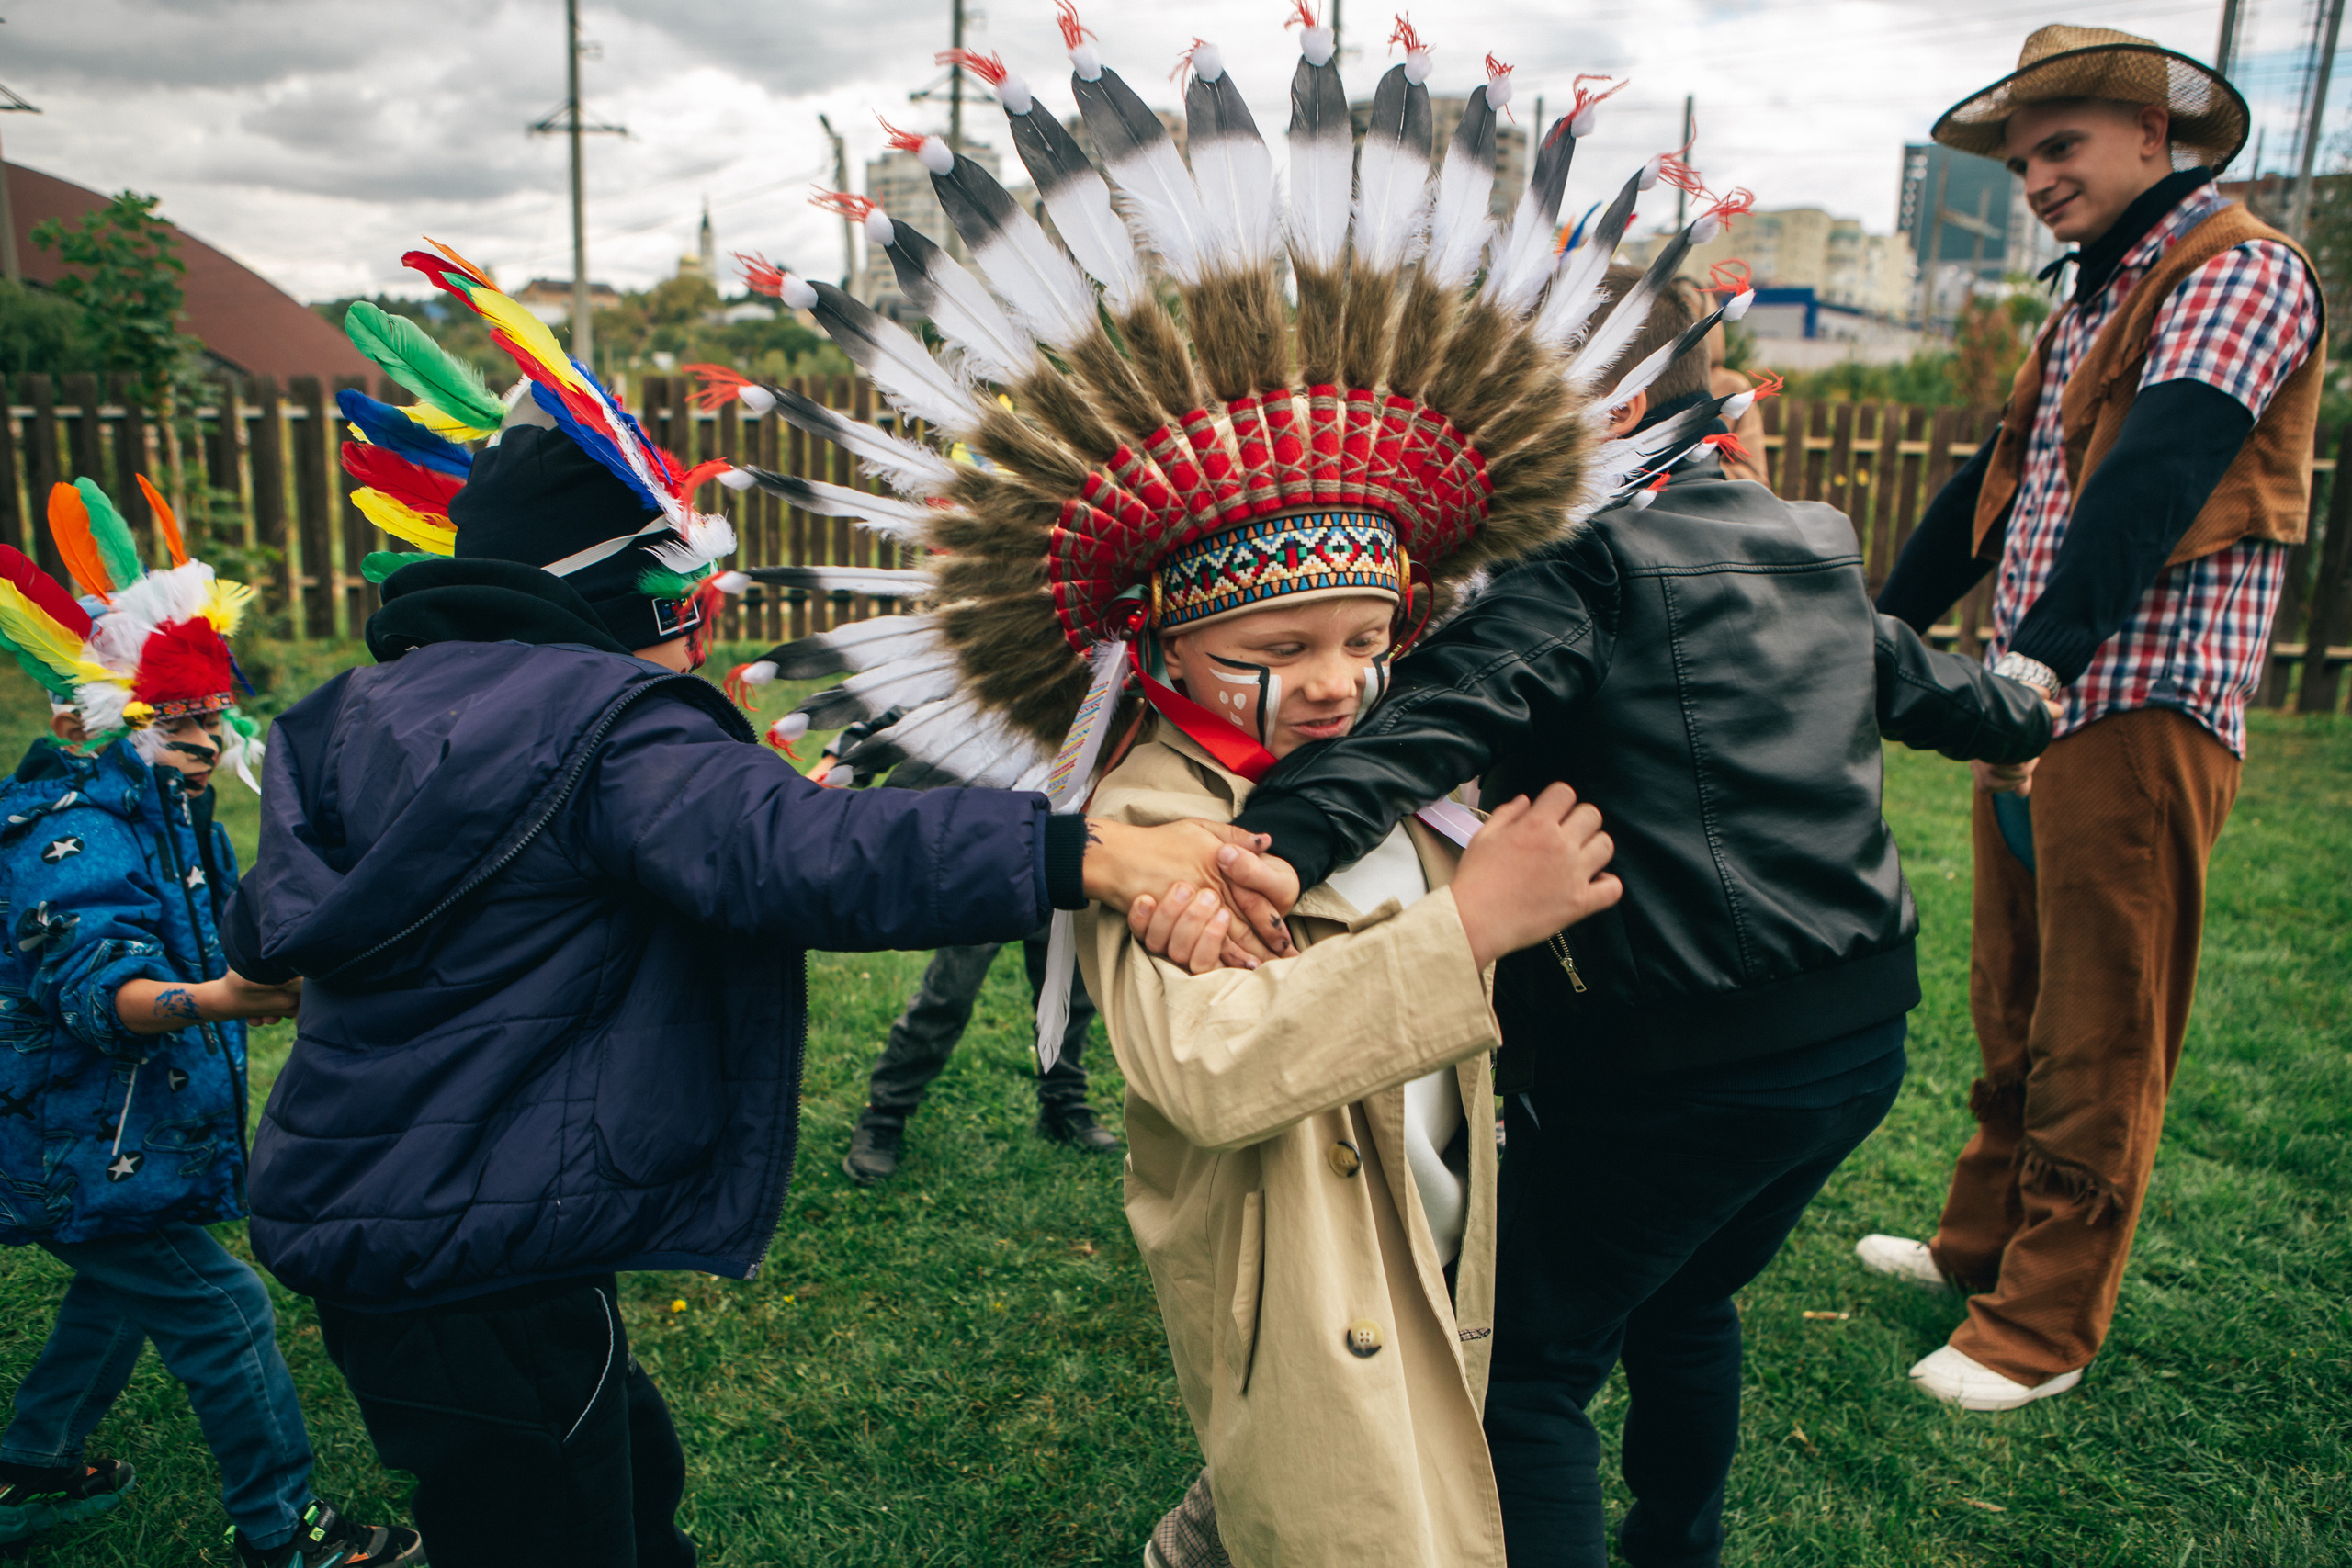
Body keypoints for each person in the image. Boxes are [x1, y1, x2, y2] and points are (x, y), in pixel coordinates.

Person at [751, 19, 1764, 1562]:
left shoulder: (1398, 769)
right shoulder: (1147, 817)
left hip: (1428, 1230)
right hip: (1303, 1286)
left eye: (1370, 638)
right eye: (1279, 648)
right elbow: (1209, 1074)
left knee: (1331, 1491)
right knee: (1357, 1511)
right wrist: (1469, 928)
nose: (1341, 682)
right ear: (1161, 643)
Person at [223, 265, 1249, 1568]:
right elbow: (801, 847)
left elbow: (268, 935)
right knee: (555, 1520)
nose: (699, 647)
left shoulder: (356, 713)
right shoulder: (599, 723)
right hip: (479, 1243)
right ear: (606, 602)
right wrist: (1079, 849)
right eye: (678, 610)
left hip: (385, 1219)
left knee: (608, 1471)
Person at [1211, 265, 2055, 1567]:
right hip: (1859, 1038)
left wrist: (1260, 847)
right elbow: (1950, 691)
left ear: (1593, 398)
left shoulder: (1589, 564)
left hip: (1683, 1057)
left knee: (1527, 1367)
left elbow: (1420, 725)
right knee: (1686, 1293)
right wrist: (2030, 713)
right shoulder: (1810, 540)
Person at [1863, 27, 2320, 1411]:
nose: (2037, 181)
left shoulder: (2240, 267)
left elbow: (2162, 475)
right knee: (2014, 997)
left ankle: (2043, 1326)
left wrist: (2044, 668)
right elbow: (1984, 491)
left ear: (2147, 131)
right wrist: (1870, 626)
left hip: (2136, 704)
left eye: (2059, 149)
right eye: (2019, 163)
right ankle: (1980, 1246)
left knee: (2101, 1021)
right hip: (2036, 703)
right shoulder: (2088, 298)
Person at [0, 482, 420, 1566]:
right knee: (222, 1309)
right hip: (72, 1136)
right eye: (171, 716)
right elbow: (106, 985)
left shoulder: (179, 811)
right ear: (90, 716)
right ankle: (289, 1536)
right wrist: (229, 999)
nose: (201, 734)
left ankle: (33, 1463)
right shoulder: (73, 826)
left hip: (136, 1132)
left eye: (210, 711)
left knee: (118, 1291)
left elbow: (231, 930)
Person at [808, 711, 1117, 1182]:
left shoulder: (1116, 650)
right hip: (994, 851)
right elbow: (917, 703)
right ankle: (884, 1116)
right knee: (947, 996)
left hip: (1075, 846)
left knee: (1068, 998)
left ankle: (1064, 1106)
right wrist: (842, 755)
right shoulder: (1022, 650)